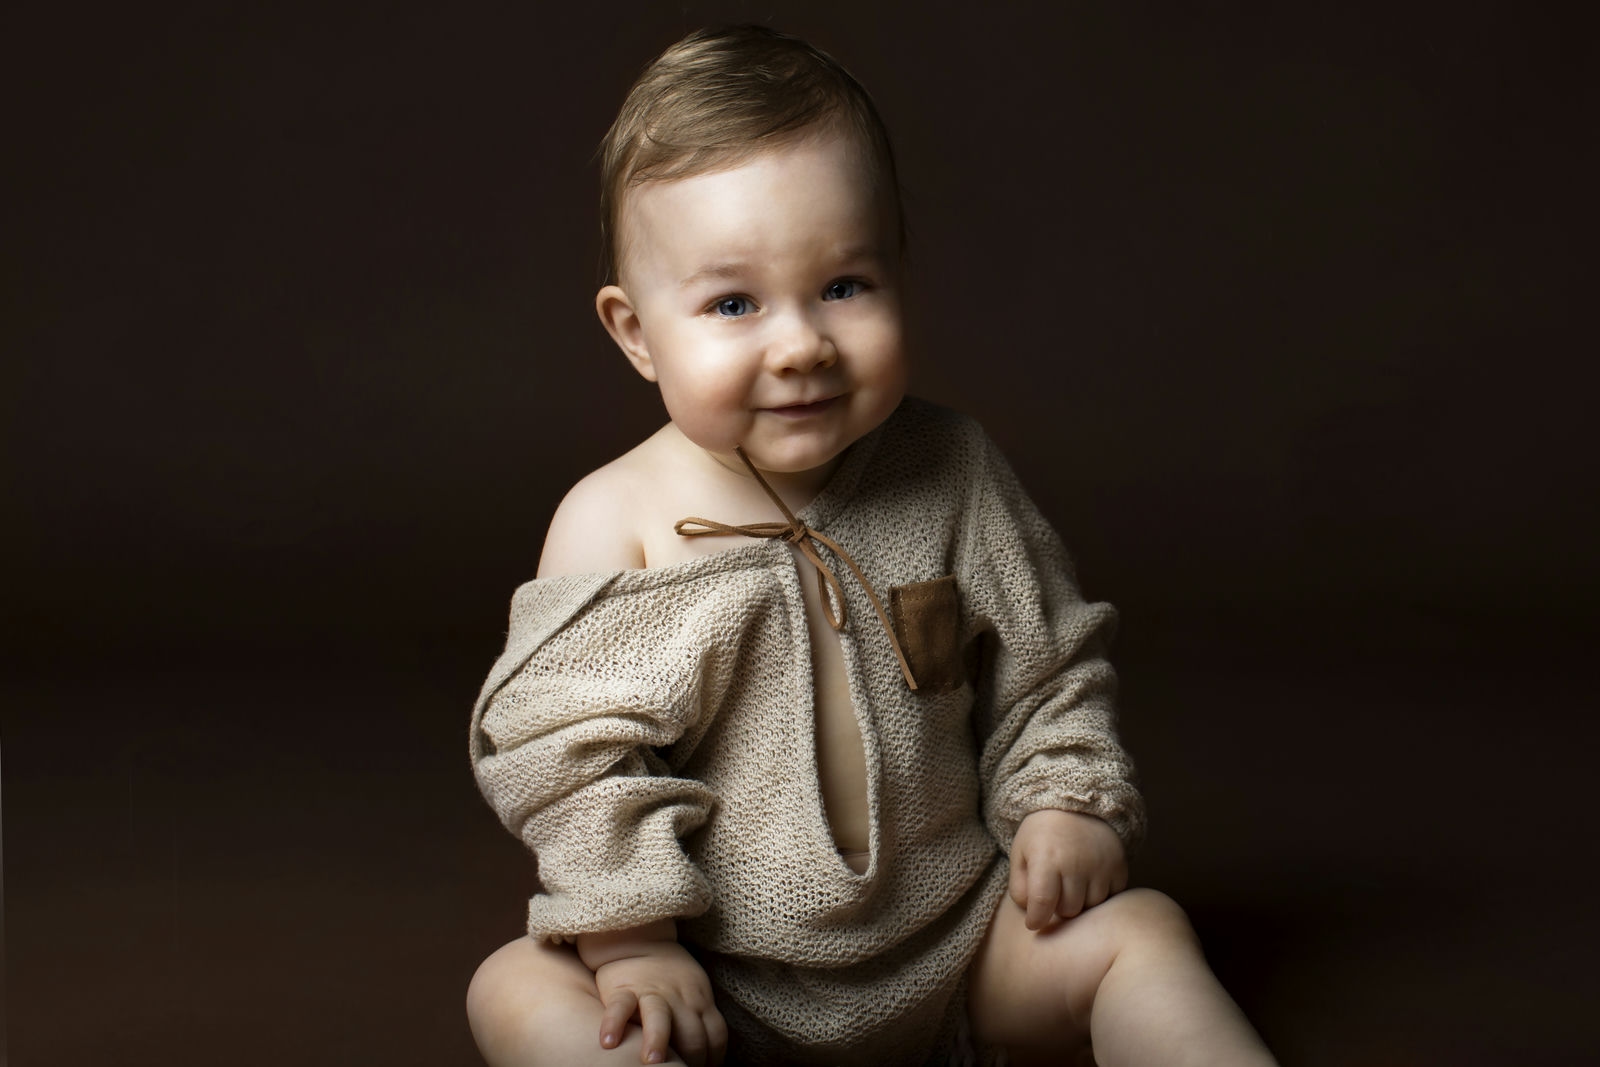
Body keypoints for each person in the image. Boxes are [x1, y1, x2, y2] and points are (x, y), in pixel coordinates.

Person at [465, 25, 1278, 1067]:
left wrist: (1065, 801)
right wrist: (631, 940)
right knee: (518, 989)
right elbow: (564, 761)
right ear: (635, 331)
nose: (800, 342)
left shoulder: (950, 467)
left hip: (957, 943)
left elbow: (1046, 661)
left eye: (843, 285)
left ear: (899, 267)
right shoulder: (613, 519)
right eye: (732, 302)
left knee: (1142, 931)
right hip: (718, 977)